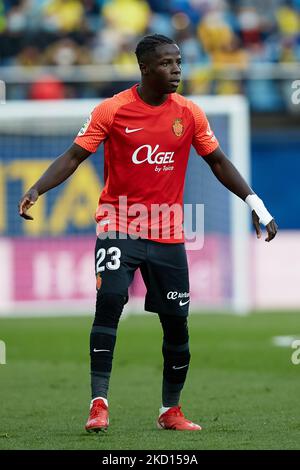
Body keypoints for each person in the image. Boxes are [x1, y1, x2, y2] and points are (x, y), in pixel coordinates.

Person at [18, 34, 278, 433]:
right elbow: (73, 156)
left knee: (177, 323)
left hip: (169, 233)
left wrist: (255, 204)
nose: (176, 70)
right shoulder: (113, 110)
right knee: (110, 300)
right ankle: (99, 404)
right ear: (144, 67)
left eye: (178, 62)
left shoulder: (189, 114)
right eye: (166, 63)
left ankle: (169, 411)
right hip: (117, 224)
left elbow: (219, 162)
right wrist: (38, 188)